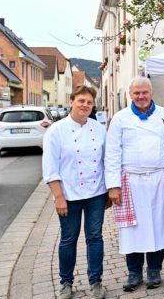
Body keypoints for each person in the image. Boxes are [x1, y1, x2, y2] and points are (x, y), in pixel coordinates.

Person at [105, 77, 164, 292]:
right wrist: (113, 185)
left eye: (144, 92)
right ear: (130, 95)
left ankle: (154, 271)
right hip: (130, 182)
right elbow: (112, 153)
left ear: (151, 92)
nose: (141, 97)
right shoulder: (119, 119)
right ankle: (134, 273)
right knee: (132, 230)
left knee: (158, 226)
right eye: (136, 93)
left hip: (158, 180)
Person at [42, 86, 107, 299]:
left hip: (96, 192)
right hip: (68, 195)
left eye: (89, 102)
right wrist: (58, 197)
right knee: (69, 239)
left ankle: (96, 281)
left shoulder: (99, 129)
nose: (85, 105)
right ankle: (66, 282)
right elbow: (50, 167)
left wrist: (109, 190)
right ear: (71, 101)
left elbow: (107, 161)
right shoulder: (56, 130)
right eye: (81, 101)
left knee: (95, 237)